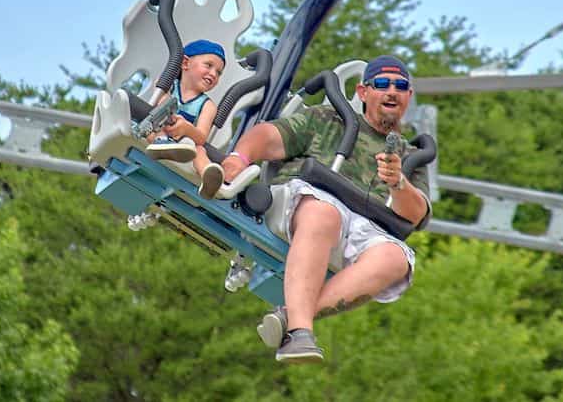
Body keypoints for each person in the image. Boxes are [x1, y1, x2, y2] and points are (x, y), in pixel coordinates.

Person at [221, 55, 431, 364]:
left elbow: (417, 215)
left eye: (400, 86)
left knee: (397, 257)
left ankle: (290, 315)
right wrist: (239, 158)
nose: (391, 92)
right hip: (311, 201)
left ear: (408, 96)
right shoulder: (329, 119)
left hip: (365, 226)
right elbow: (269, 136)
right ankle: (300, 331)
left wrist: (398, 183)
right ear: (363, 92)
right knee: (326, 213)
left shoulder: (410, 155)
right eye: (382, 84)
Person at [145, 39, 226, 199]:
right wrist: (171, 119)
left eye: (218, 72)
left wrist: (187, 128)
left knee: (200, 150)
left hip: (184, 143)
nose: (213, 74)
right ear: (185, 63)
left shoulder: (208, 105)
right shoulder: (167, 83)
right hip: (158, 131)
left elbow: (201, 137)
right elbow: (159, 105)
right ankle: (161, 144)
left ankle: (209, 176)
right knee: (156, 123)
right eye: (208, 65)